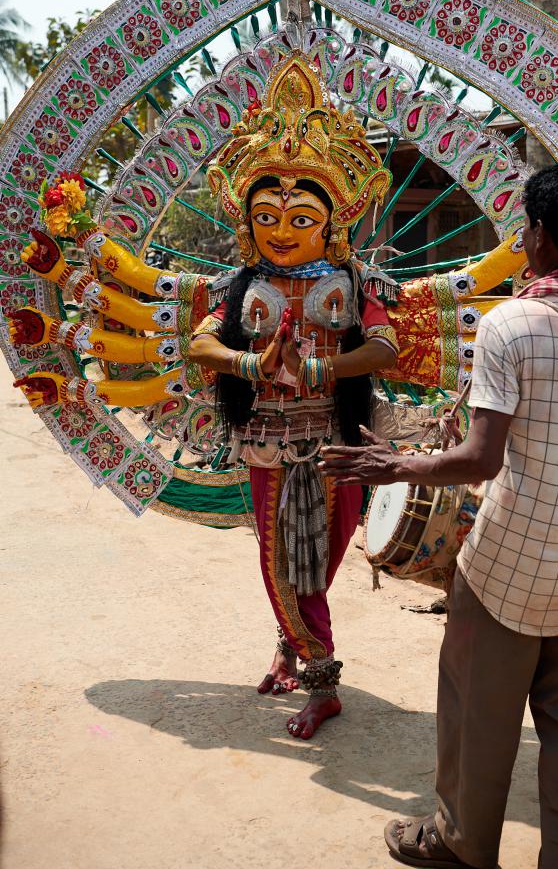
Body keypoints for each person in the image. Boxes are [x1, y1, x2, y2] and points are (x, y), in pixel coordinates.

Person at [320, 163, 558, 869]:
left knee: (475, 715)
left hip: (508, 566)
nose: (521, 236)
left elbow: (480, 461)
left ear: (542, 235)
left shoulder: (509, 325)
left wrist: (394, 465)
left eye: (524, 225)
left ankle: (463, 843)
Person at [188, 53, 398, 740]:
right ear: (248, 221)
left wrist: (318, 373)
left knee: (319, 562)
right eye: (268, 215)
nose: (282, 228)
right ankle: (320, 679)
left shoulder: (349, 281)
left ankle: (293, 643)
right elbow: (198, 346)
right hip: (268, 446)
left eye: (299, 216)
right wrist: (251, 362)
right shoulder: (241, 283)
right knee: (286, 569)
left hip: (334, 445)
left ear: (330, 221)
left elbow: (384, 349)